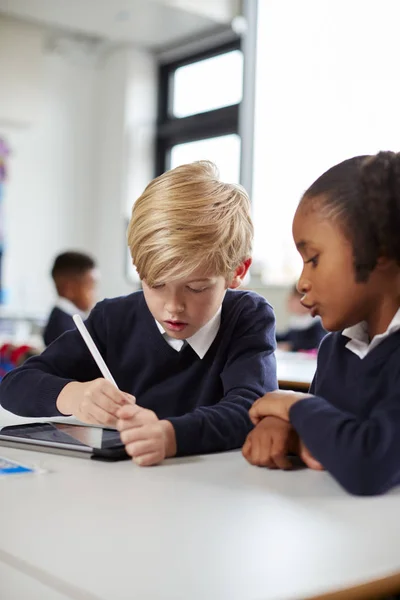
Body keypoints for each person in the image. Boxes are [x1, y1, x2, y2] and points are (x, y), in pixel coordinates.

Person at [0, 161, 277, 466]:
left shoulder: (246, 317)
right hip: (124, 492)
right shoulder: (112, 319)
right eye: (156, 284)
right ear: (137, 267)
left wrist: (171, 435)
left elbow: (252, 409)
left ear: (238, 271)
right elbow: (15, 384)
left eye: (196, 288)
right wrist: (75, 395)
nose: (173, 306)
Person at [243, 151, 400, 496]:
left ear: (381, 249)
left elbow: (369, 464)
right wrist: (282, 426)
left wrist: (293, 406)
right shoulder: (335, 349)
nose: (301, 282)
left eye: (313, 259)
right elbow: (326, 428)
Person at [43, 251, 98, 346]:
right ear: (70, 289)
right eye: (90, 287)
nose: (95, 294)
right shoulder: (65, 329)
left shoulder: (68, 320)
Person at [276, 284, 326, 352]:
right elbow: (286, 337)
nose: (288, 303)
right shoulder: (296, 321)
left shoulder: (317, 323)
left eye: (292, 300)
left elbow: (318, 343)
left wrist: (293, 347)